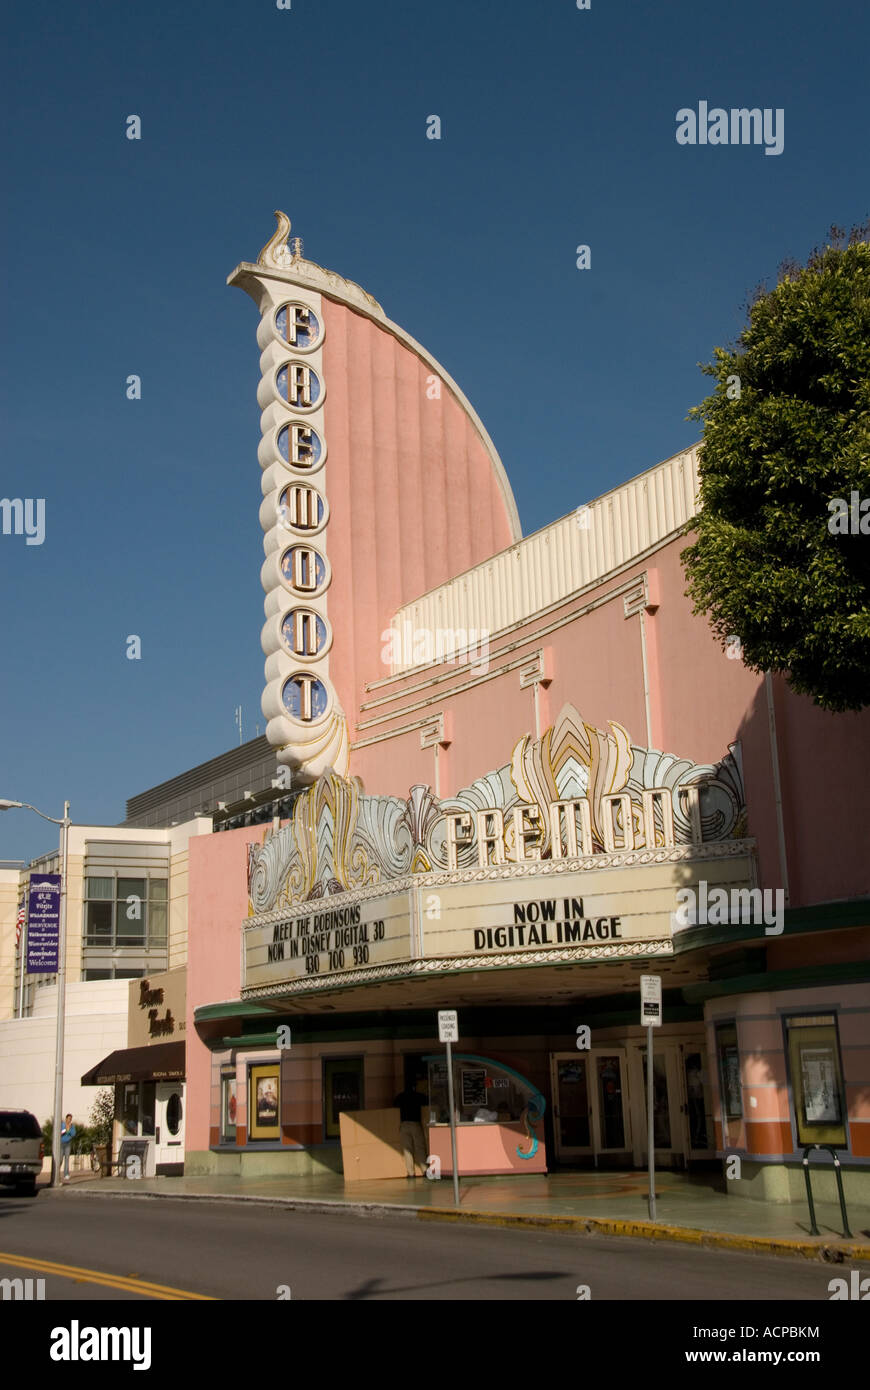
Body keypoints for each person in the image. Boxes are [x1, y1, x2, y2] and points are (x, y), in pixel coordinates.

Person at [393, 1079, 427, 1178]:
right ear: (414, 1087)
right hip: (415, 1124)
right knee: (419, 1147)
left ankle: (411, 1173)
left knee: (407, 1149)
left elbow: (394, 1103)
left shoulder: (400, 1096)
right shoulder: (418, 1096)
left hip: (404, 1125)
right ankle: (425, 1170)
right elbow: (426, 1100)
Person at [60, 1113, 76, 1183]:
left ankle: (66, 1174)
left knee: (67, 1159)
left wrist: (69, 1130)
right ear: (66, 1119)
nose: (69, 1120)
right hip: (61, 1143)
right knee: (60, 1159)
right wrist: (65, 1130)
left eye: (70, 1119)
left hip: (68, 1143)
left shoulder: (72, 1126)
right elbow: (59, 1133)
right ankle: (56, 1172)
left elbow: (73, 1134)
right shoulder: (62, 1125)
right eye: (68, 1119)